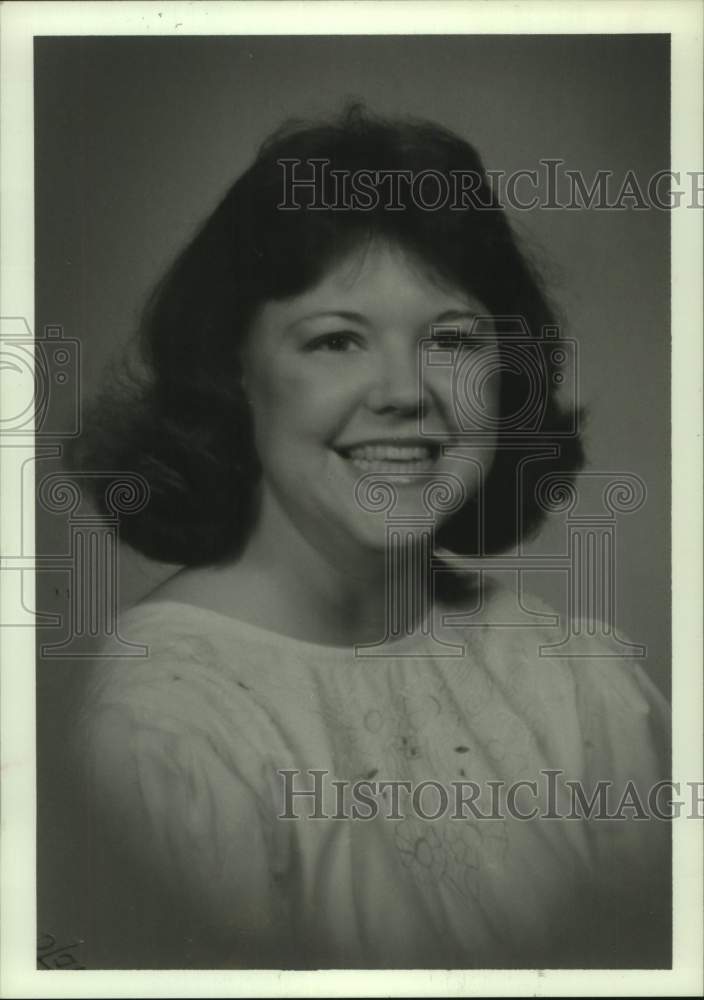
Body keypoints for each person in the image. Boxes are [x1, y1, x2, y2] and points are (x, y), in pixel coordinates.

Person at [68, 105, 670, 970]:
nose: (402, 392)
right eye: (337, 339)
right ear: (232, 372)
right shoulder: (166, 731)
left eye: (453, 339)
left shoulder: (576, 678)